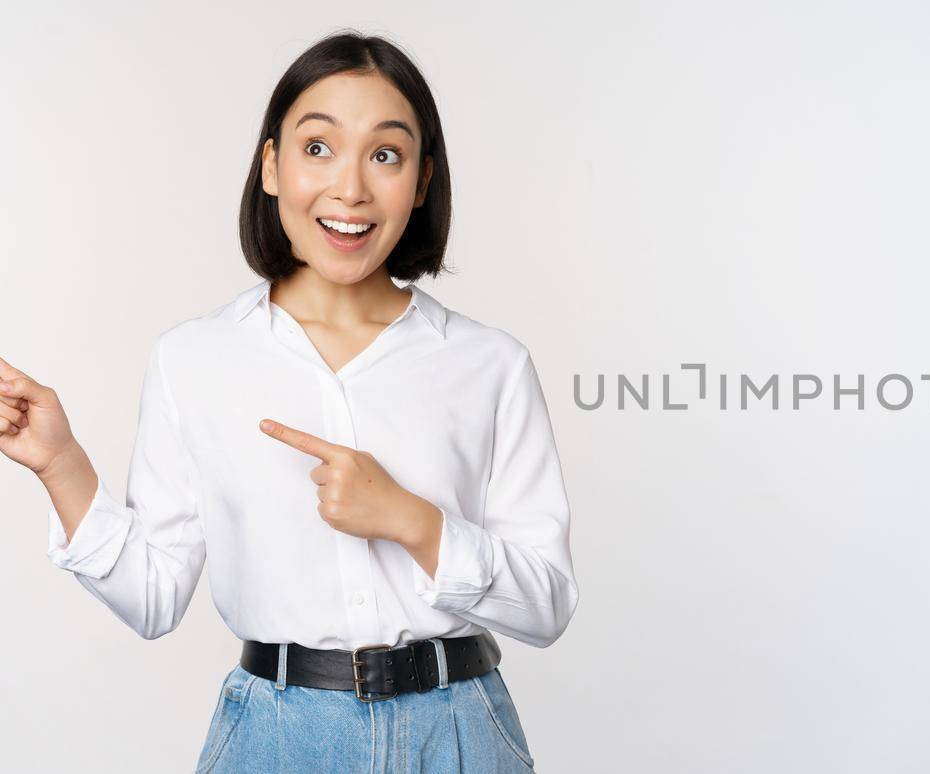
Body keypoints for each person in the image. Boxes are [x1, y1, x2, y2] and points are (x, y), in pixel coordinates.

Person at [0, 30, 576, 773]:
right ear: (271, 165)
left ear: (423, 180)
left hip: (458, 731)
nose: (351, 190)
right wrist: (62, 465)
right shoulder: (194, 359)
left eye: (386, 154)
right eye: (317, 148)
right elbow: (152, 598)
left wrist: (410, 520)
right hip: (275, 739)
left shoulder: (490, 365)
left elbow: (547, 607)